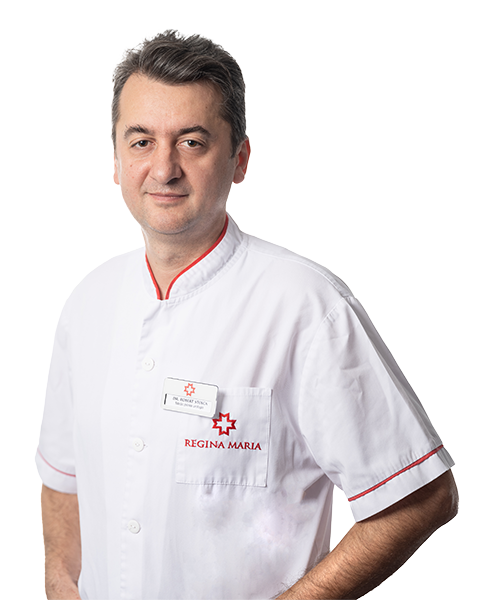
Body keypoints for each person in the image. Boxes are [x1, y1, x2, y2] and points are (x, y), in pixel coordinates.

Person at [36, 29, 458, 600]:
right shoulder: (87, 304)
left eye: (191, 142)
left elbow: (422, 497)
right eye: (141, 141)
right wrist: (59, 583)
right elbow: (63, 476)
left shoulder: (308, 307)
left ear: (240, 159)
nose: (163, 168)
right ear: (115, 158)